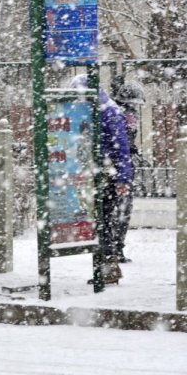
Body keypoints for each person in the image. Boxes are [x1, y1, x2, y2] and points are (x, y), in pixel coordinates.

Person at [70, 74, 132, 284]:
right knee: (102, 221)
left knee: (103, 221)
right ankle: (108, 266)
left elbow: (121, 148)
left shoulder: (108, 112)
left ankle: (108, 267)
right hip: (100, 174)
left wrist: (122, 178)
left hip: (106, 175)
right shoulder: (100, 110)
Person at [114, 81, 146, 264]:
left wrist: (134, 152)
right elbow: (119, 143)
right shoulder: (118, 115)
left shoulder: (127, 115)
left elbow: (126, 143)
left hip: (123, 169)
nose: (134, 108)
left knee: (123, 210)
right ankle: (114, 249)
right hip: (119, 171)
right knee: (120, 210)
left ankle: (117, 248)